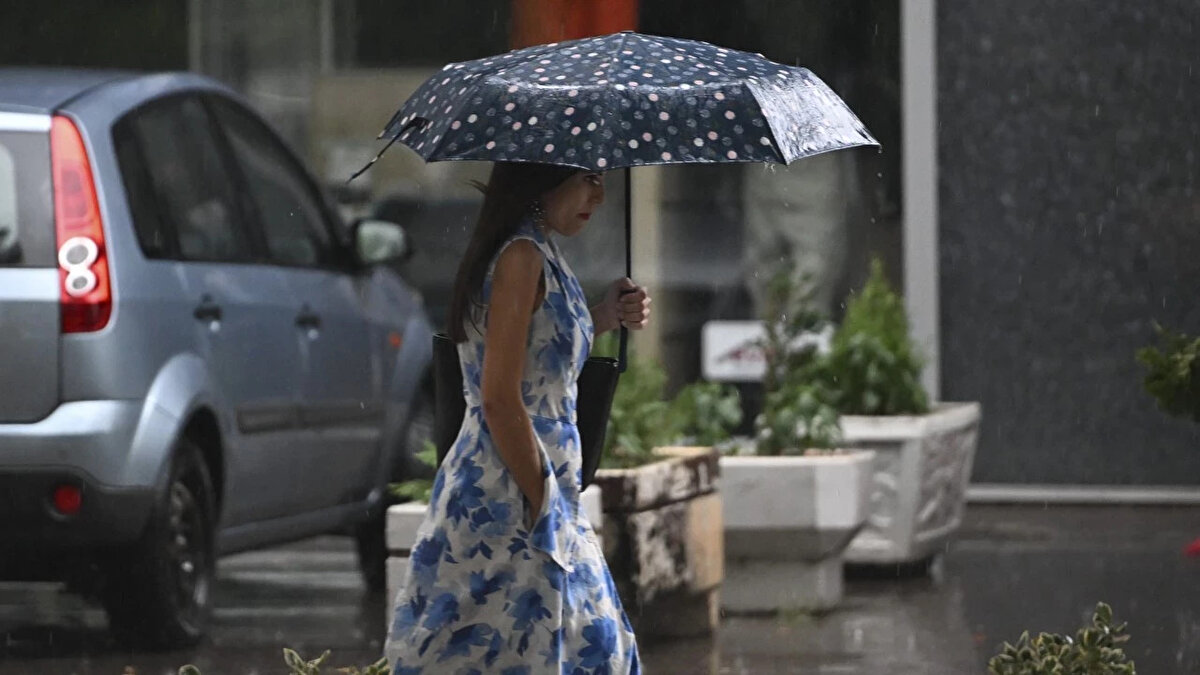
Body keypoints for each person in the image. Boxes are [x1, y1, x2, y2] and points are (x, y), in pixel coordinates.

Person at [385, 162, 649, 673]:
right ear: (542, 178)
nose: (599, 192)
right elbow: (500, 397)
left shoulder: (537, 250)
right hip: (509, 488)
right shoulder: (520, 256)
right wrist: (542, 498)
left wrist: (604, 315)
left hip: (531, 485)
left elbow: (537, 351)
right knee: (578, 647)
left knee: (553, 646)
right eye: (587, 177)